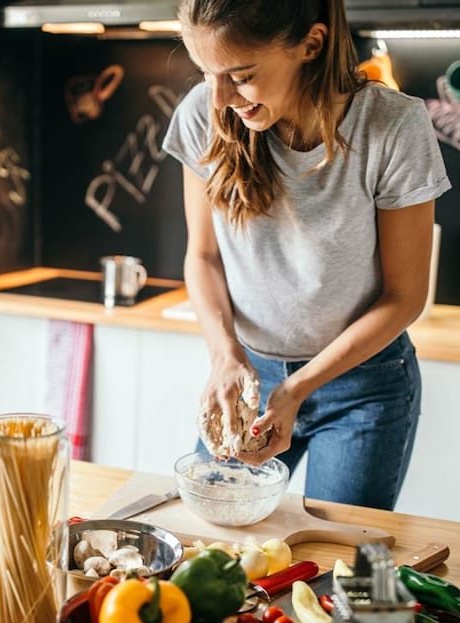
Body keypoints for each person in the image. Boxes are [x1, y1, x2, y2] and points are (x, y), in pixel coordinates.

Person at [162, 0, 451, 510]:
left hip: (364, 387)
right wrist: (223, 354)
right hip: (250, 375)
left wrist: (298, 388)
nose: (221, 97)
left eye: (241, 75)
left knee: (334, 566)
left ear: (311, 45)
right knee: (212, 543)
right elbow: (202, 257)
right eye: (207, 74)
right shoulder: (203, 115)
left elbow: (405, 297)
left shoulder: (392, 126)